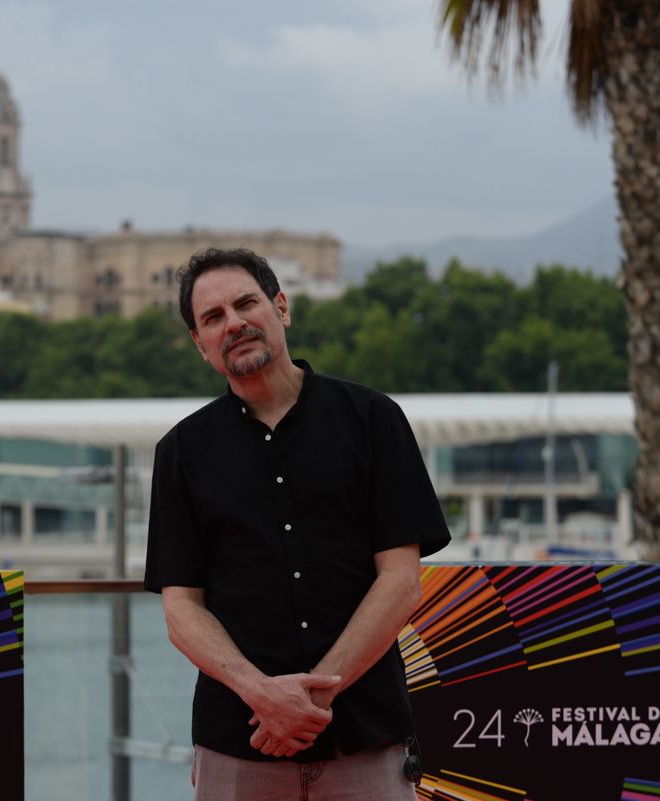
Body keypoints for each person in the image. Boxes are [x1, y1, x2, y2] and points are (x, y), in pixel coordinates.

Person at [144, 247, 450, 800]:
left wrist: (310, 701)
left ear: (280, 307)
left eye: (246, 304)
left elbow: (401, 583)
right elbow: (180, 609)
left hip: (365, 741)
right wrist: (262, 695)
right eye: (212, 318)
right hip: (238, 745)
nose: (233, 323)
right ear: (199, 344)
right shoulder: (180, 453)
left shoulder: (373, 420)